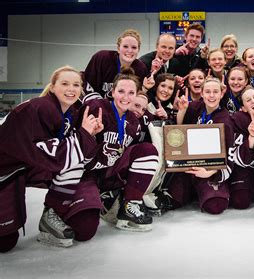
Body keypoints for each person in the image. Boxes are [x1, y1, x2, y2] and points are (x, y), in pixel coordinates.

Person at [0, 66, 102, 251]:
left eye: (76, 85)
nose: (71, 88)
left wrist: (89, 135)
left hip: (26, 166)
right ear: (53, 87)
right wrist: (84, 136)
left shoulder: (71, 113)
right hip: (6, 172)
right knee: (4, 242)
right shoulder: (40, 108)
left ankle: (52, 213)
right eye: (65, 83)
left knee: (75, 160)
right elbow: (52, 157)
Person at [81, 68, 159, 232]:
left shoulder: (134, 122)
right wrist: (88, 135)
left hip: (110, 173)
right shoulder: (97, 107)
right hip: (86, 174)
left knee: (147, 150)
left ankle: (130, 203)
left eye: (131, 93)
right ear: (112, 92)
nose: (126, 97)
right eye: (121, 91)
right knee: (85, 228)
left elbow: (133, 158)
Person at [167, 77, 235, 214]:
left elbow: (230, 155)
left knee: (215, 205)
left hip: (210, 170)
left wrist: (209, 172)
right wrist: (182, 110)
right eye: (208, 91)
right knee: (173, 200)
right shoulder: (195, 107)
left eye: (215, 92)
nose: (211, 95)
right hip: (188, 167)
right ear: (202, 93)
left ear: (221, 94)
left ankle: (205, 190)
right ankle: (192, 191)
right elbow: (180, 130)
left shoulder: (226, 119)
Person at [82, 29, 153, 101]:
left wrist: (145, 88)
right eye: (125, 46)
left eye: (134, 47)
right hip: (97, 106)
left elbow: (136, 98)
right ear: (118, 48)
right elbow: (87, 84)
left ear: (138, 50)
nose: (130, 51)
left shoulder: (141, 69)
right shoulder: (102, 58)